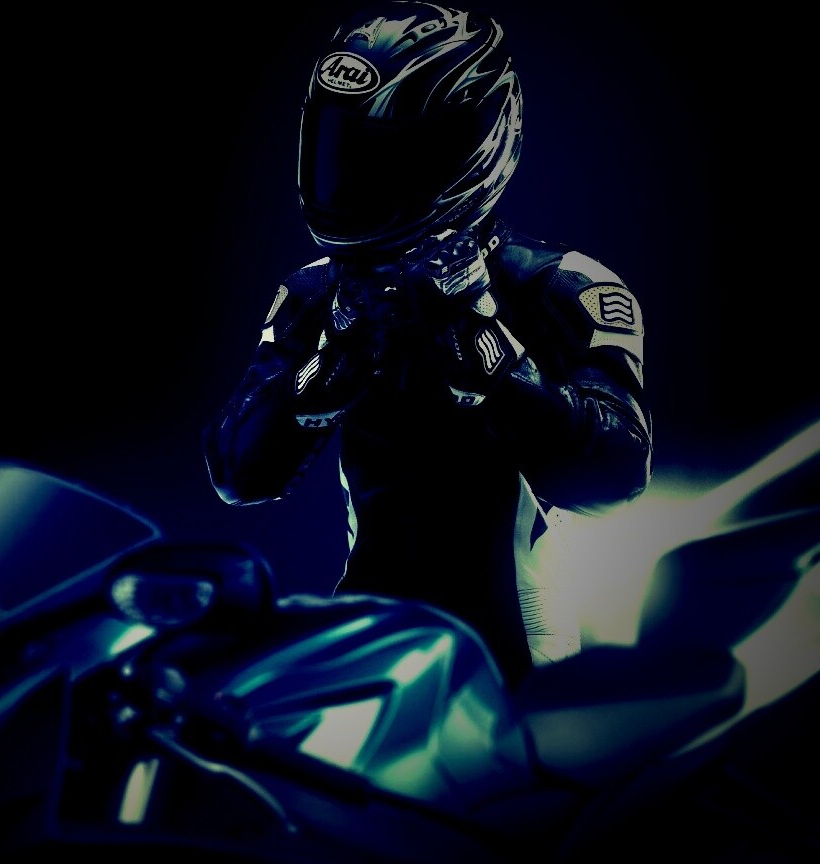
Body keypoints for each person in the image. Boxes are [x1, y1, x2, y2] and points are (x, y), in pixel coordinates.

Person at [202, 1, 653, 685]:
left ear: (467, 150)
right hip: (367, 642)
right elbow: (237, 473)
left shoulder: (562, 286)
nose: (347, 179)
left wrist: (495, 362)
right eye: (339, 146)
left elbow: (618, 474)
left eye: (379, 157)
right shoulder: (314, 292)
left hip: (515, 651)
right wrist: (319, 377)